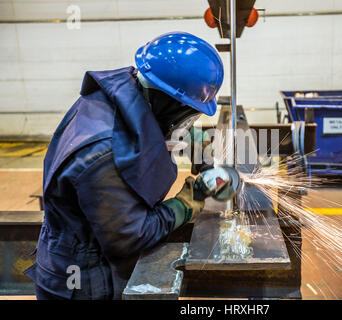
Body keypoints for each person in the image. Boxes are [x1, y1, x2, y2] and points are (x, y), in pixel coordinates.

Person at [23, 32, 224, 300]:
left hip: (97, 261)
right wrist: (187, 204)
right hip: (83, 282)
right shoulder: (103, 155)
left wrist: (198, 146)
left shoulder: (129, 93)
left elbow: (154, 127)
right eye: (189, 115)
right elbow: (130, 235)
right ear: (168, 102)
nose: (189, 123)